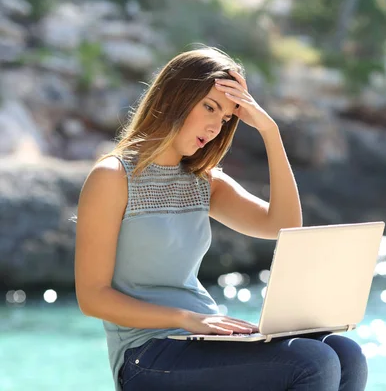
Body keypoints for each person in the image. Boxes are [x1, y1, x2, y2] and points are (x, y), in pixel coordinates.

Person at [74, 46, 368, 391]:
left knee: (345, 352)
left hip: (202, 339)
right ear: (174, 97)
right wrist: (188, 319)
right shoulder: (112, 177)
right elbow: (93, 297)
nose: (216, 126)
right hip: (146, 354)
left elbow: (284, 226)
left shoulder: (204, 181)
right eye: (210, 107)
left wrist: (269, 131)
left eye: (227, 118)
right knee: (311, 362)